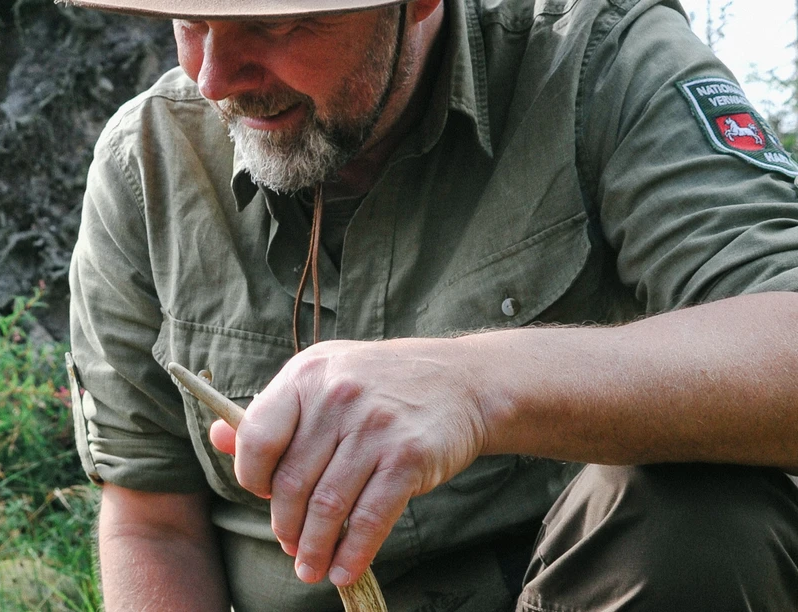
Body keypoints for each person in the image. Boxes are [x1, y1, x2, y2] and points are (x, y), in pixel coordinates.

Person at [63, 0, 798, 610]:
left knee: (702, 512)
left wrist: (478, 388)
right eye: (188, 22)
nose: (215, 77)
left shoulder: (599, 65)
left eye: (278, 25)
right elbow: (152, 519)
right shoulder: (147, 166)